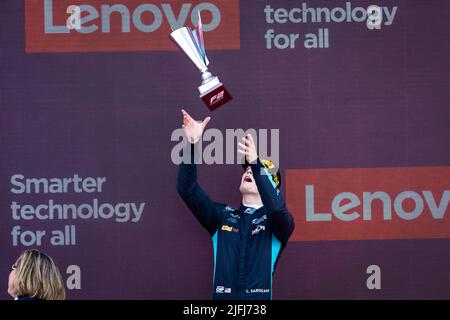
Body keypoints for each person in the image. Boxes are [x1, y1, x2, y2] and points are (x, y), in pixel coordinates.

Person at [177, 109, 295, 300]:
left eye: (256, 171)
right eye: (247, 169)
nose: (249, 171)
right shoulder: (222, 215)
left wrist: (257, 163)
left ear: (272, 185)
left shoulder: (279, 223)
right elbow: (186, 189)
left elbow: (275, 207)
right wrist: (192, 145)